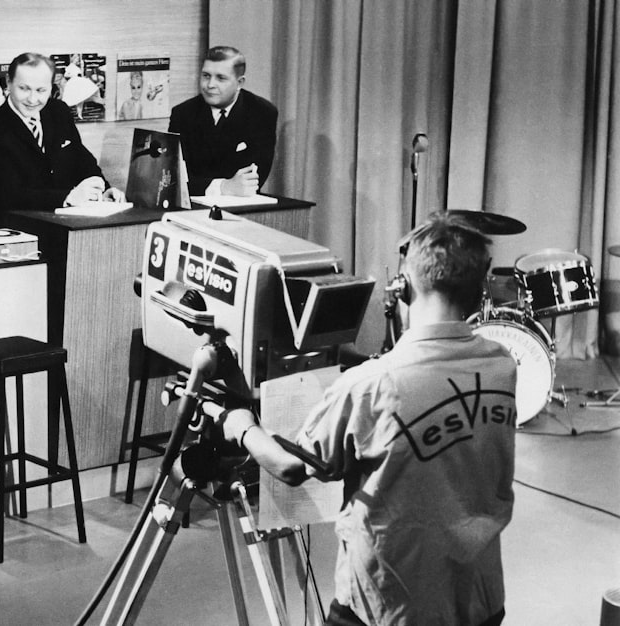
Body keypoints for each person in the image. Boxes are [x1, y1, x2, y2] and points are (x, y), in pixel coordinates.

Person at [219, 212, 517, 626]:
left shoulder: (369, 387)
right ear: (479, 290)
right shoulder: (502, 365)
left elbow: (290, 467)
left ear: (406, 285)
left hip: (387, 606)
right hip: (479, 597)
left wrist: (240, 425)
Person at [0, 52, 125, 226]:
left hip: (63, 228)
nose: (32, 99)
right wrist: (67, 197)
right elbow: (9, 194)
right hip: (17, 233)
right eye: (24, 89)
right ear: (9, 82)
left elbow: (81, 159)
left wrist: (102, 190)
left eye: (41, 90)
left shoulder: (59, 111)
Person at [168, 46, 278, 197]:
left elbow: (252, 180)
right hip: (193, 205)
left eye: (221, 78)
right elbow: (176, 178)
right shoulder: (183, 114)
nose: (210, 85)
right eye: (206, 76)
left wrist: (220, 185)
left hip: (240, 206)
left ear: (240, 83)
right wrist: (223, 187)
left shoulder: (262, 113)